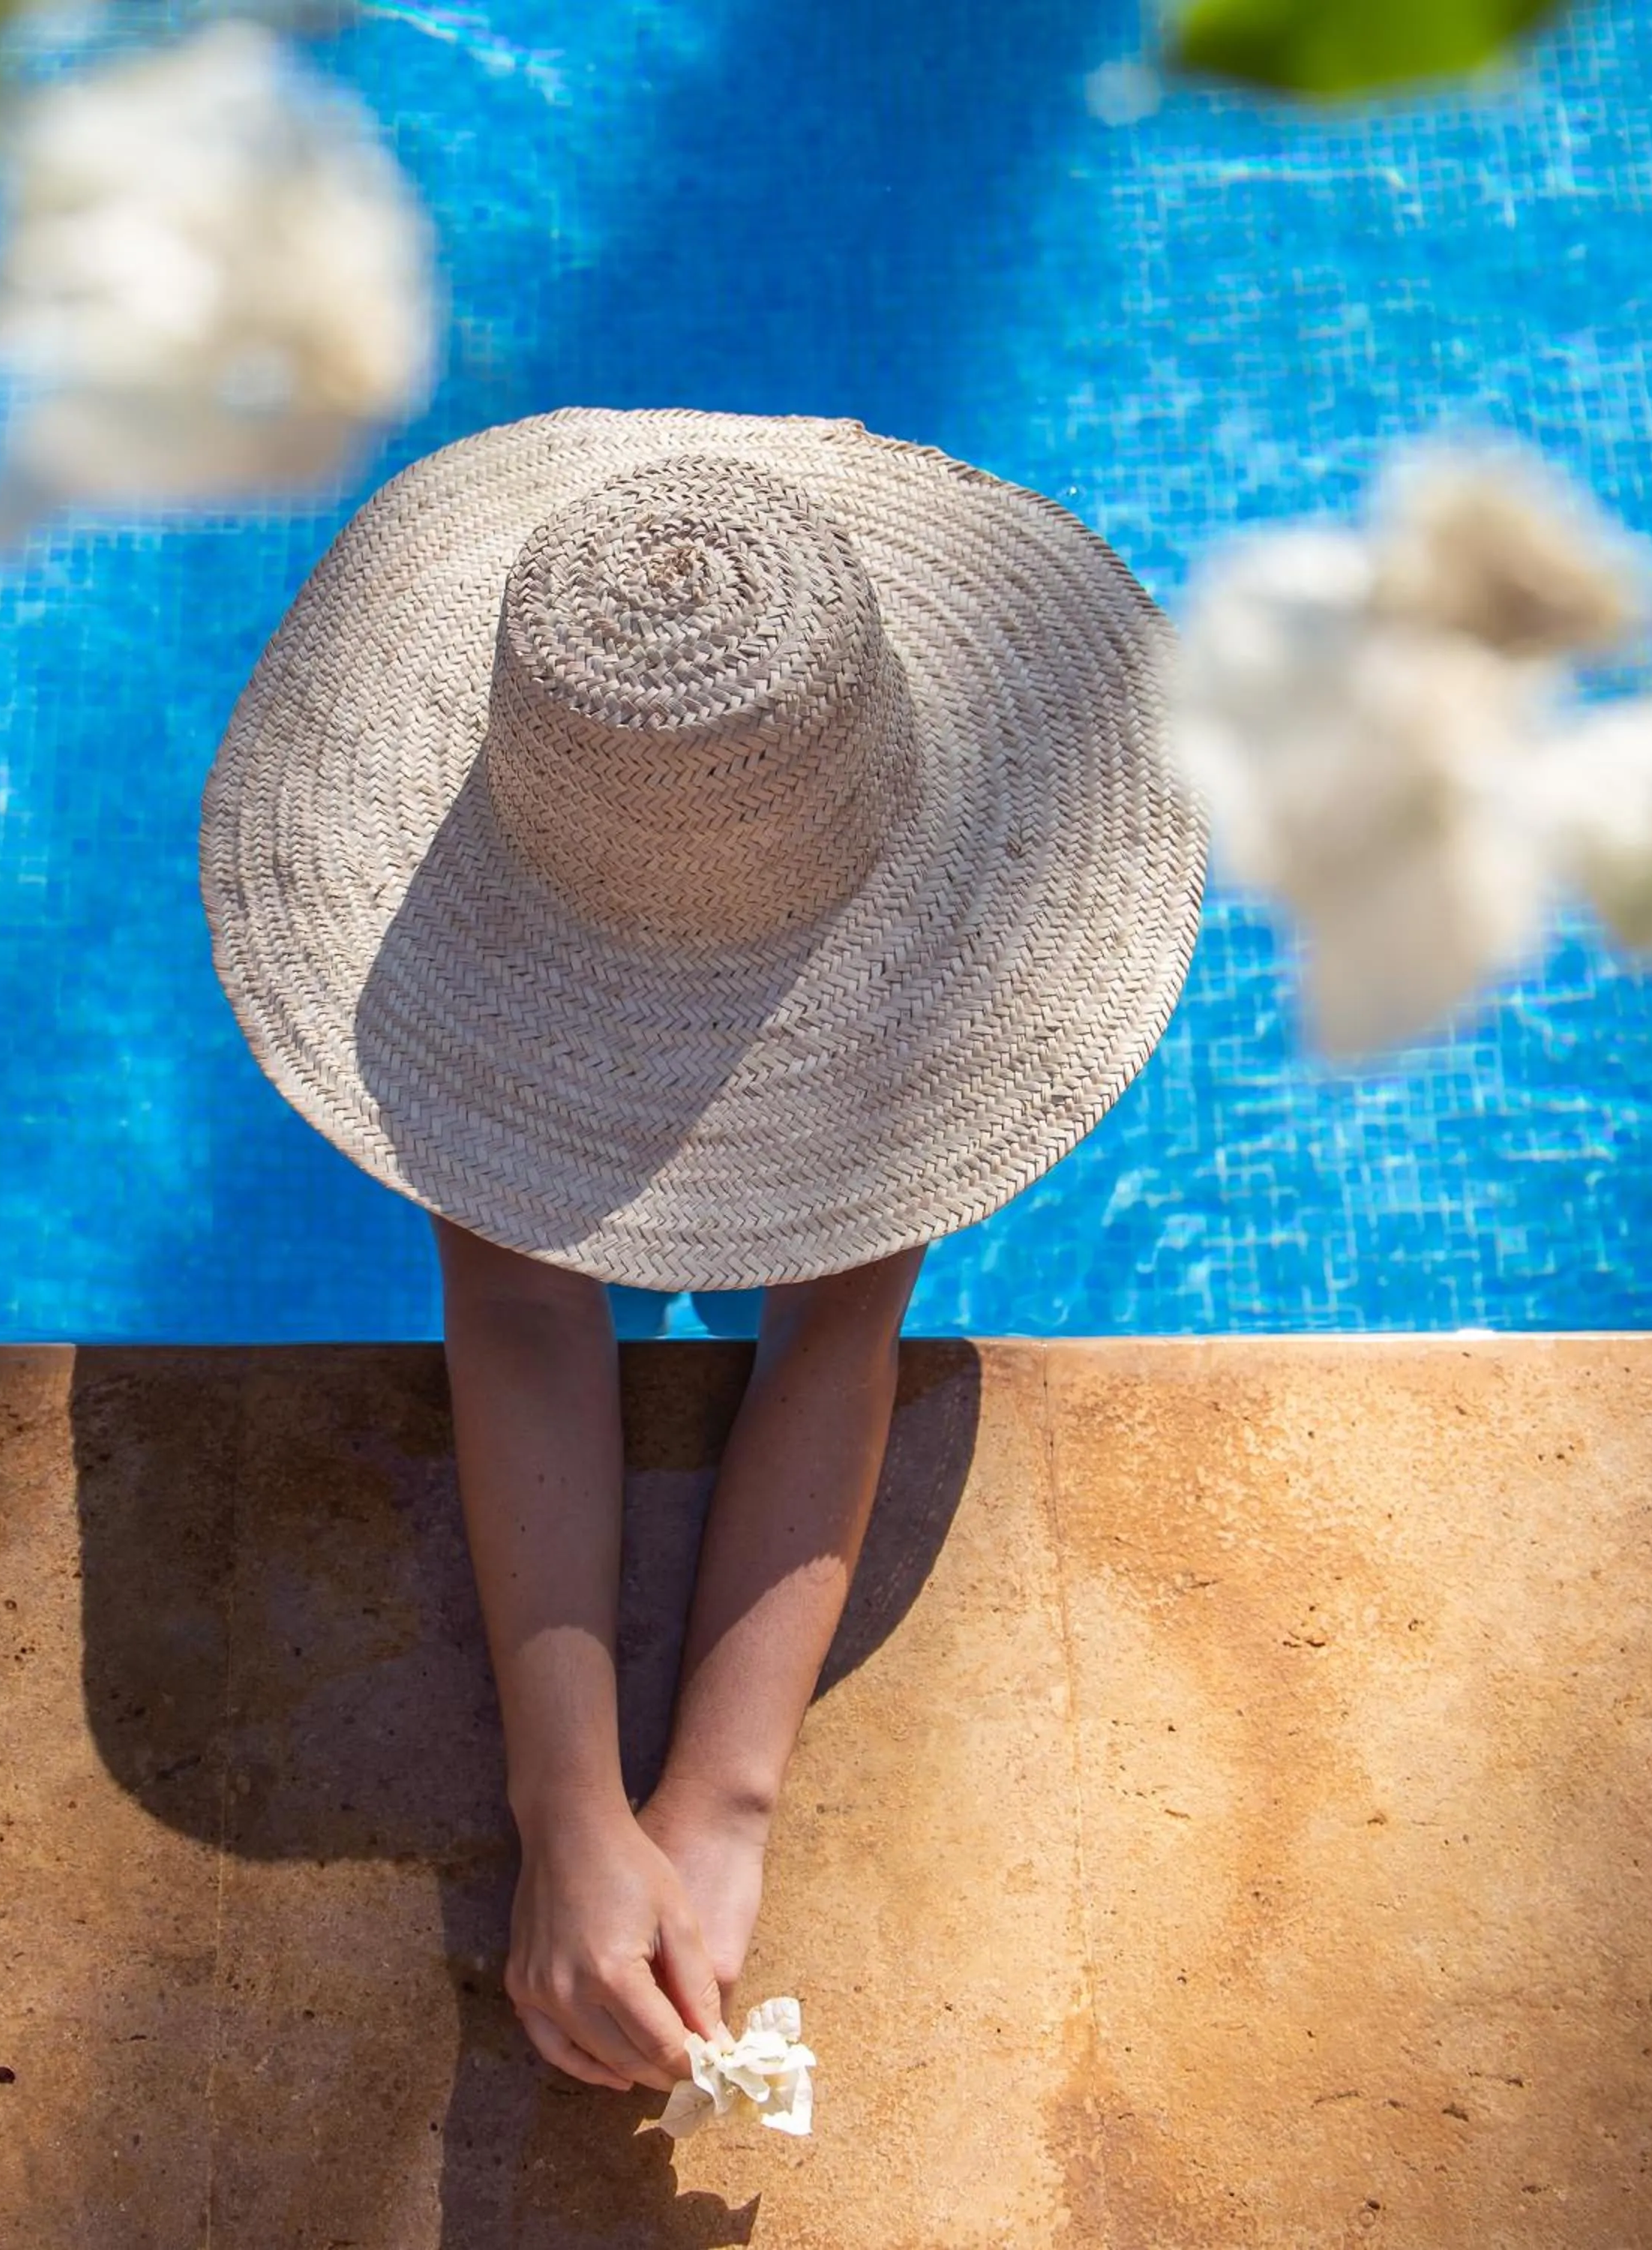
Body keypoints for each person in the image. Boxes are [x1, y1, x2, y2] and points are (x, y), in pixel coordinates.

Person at [201, 409, 1204, 2100]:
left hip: (757, 872)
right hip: (614, 871)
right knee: (566, 1218)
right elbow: (527, 1307)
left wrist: (723, 1800)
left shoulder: (890, 961)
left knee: (801, 1232)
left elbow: (835, 1319)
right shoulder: (593, 796)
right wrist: (569, 1809)